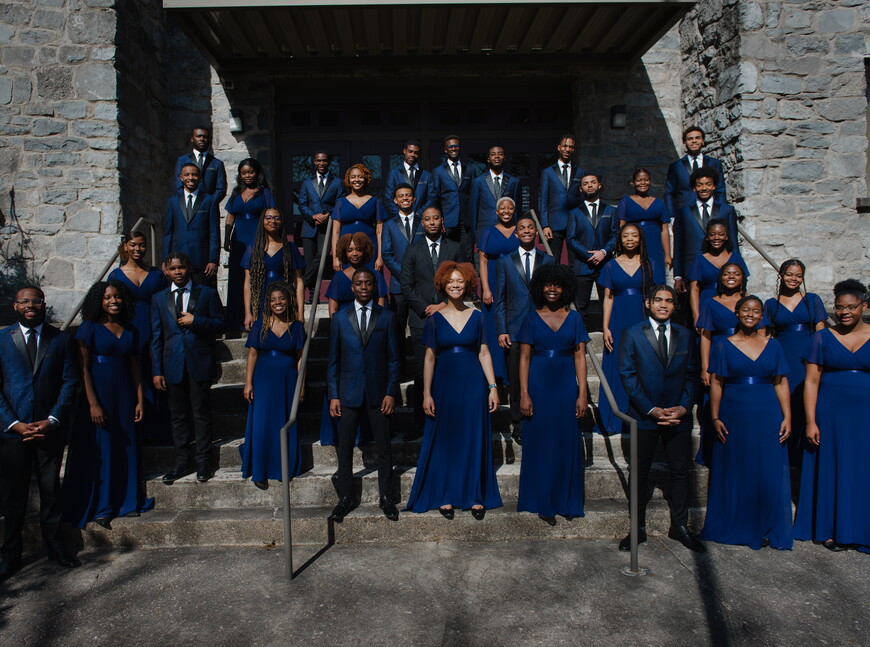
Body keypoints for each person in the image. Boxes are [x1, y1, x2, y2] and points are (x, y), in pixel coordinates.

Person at [405, 262, 502, 518]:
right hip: (444, 384)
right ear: (443, 286)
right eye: (450, 282)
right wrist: (426, 393)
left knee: (472, 436)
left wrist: (492, 387)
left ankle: (474, 494)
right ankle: (445, 494)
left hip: (473, 383)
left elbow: (483, 352)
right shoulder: (434, 320)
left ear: (468, 283)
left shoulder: (478, 316)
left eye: (459, 281)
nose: (455, 285)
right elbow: (429, 358)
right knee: (446, 439)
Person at [0, 286, 80, 579]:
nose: (30, 305)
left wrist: (52, 419)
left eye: (36, 301)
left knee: (50, 492)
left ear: (44, 305)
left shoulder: (60, 339)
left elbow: (70, 382)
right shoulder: (1, 339)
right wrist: (14, 424)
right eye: (24, 301)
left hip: (49, 429)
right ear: (15, 306)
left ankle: (55, 547)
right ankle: (10, 554)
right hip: (13, 432)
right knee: (13, 497)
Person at [701, 295, 793, 550]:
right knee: (735, 468)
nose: (750, 314)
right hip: (734, 413)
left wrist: (787, 416)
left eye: (756, 311)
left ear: (762, 315)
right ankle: (735, 523)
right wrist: (715, 417)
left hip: (767, 413)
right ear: (738, 313)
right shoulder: (722, 345)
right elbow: (717, 383)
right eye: (746, 310)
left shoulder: (773, 345)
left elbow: (781, 382)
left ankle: (764, 523)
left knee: (766, 469)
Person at [618, 284, 703, 553]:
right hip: (645, 416)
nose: (663, 305)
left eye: (669, 301)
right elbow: (627, 375)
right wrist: (651, 409)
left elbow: (692, 374)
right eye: (658, 300)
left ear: (675, 305)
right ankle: (638, 528)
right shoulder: (632, 334)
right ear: (648, 303)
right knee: (640, 472)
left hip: (678, 415)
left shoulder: (686, 336)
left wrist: (683, 407)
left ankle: (680, 526)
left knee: (679, 472)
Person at [63, 281, 153, 529]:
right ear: (98, 301)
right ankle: (102, 506)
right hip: (99, 395)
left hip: (125, 394)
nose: (113, 301)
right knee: (102, 449)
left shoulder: (131, 329)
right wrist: (93, 404)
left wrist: (139, 399)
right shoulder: (88, 328)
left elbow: (136, 367)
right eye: (107, 297)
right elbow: (83, 369)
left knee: (127, 447)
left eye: (117, 297)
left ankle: (127, 501)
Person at [794, 279, 870, 554]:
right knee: (832, 468)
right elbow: (811, 382)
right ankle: (831, 529)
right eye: (839, 308)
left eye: (851, 307)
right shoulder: (821, 337)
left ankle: (863, 529)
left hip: (865, 416)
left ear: (864, 306)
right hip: (830, 414)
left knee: (863, 469)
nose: (845, 312)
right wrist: (811, 421)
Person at [328, 268, 401, 522]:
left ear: (374, 286)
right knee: (345, 447)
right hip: (348, 392)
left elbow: (394, 359)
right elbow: (333, 361)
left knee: (383, 448)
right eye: (358, 283)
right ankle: (345, 497)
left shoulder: (387, 317)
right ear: (352, 287)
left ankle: (386, 497)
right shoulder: (339, 318)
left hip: (379, 393)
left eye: (368, 283)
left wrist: (391, 392)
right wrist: (333, 395)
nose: (363, 287)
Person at [517, 264, 589, 520]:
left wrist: (582, 394)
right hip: (538, 385)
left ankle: (565, 500)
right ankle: (542, 499)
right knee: (541, 444)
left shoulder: (575, 318)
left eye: (558, 284)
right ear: (540, 287)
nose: (552, 289)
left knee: (564, 442)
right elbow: (524, 359)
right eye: (548, 284)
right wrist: (524, 394)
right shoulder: (530, 318)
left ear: (565, 288)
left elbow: (580, 357)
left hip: (565, 387)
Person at [151, 252, 225, 484]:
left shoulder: (207, 294)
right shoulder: (159, 298)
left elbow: (221, 323)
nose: (178, 272)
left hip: (198, 362)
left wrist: (197, 321)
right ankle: (182, 461)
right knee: (178, 416)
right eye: (173, 269)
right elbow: (156, 337)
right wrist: (156, 370)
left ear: (189, 268)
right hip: (172, 364)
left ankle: (204, 461)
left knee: (201, 414)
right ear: (166, 271)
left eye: (182, 267)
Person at [400, 207, 463, 439]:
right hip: (421, 318)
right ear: (422, 223)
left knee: (448, 369)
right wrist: (427, 308)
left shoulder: (455, 247)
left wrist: (443, 306)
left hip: (452, 316)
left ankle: (449, 419)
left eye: (436, 218)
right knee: (421, 372)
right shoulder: (413, 249)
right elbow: (406, 285)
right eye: (427, 219)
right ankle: (421, 423)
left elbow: (465, 279)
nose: (432, 222)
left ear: (442, 221)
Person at [320, 232, 387, 447]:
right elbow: (333, 306)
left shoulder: (373, 275)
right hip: (347, 336)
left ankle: (368, 432)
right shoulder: (340, 277)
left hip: (371, 333)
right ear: (343, 252)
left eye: (358, 249)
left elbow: (381, 302)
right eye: (349, 250)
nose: (354, 253)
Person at [494, 214, 555, 443]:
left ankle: (540, 417)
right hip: (515, 328)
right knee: (517, 380)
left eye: (531, 227)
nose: (527, 231)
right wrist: (502, 329)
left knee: (540, 375)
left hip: (542, 327)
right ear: (516, 233)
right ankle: (518, 422)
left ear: (535, 232)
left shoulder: (548, 260)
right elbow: (500, 298)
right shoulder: (505, 261)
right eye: (522, 228)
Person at [695, 262, 763, 466]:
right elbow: (706, 336)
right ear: (720, 277)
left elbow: (762, 335)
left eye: (736, 273)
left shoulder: (751, 303)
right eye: (726, 273)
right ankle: (713, 451)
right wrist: (705, 366)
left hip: (745, 354)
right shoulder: (709, 302)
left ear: (743, 277)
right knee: (714, 403)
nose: (731, 277)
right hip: (718, 352)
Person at [241, 281, 306, 489]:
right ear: (268, 303)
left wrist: (302, 384)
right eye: (273, 300)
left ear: (288, 300)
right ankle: (260, 470)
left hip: (287, 381)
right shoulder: (260, 324)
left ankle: (282, 467)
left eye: (281, 298)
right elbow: (252, 354)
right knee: (261, 425)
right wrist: (248, 383)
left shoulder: (297, 327)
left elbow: (300, 358)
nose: (278, 303)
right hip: (263, 380)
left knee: (283, 422)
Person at [107, 231, 168, 443]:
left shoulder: (157, 274)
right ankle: (135, 429)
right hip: (128, 330)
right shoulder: (116, 275)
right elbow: (110, 305)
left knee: (155, 376)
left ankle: (158, 430)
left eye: (142, 245)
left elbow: (167, 303)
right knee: (133, 377)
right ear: (125, 247)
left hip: (154, 329)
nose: (138, 249)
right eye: (133, 245)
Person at [763, 259, 826, 462]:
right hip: (784, 358)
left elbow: (821, 332)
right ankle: (786, 458)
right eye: (790, 274)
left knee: (807, 403)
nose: (794, 279)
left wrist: (823, 358)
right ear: (781, 275)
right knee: (786, 405)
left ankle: (806, 458)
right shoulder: (771, 304)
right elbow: (766, 336)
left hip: (808, 358)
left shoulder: (812, 300)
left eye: (798, 276)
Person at [596, 224, 653, 434]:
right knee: (617, 364)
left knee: (641, 366)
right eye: (626, 236)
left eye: (634, 235)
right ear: (620, 240)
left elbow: (653, 297)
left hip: (641, 319)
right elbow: (608, 298)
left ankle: (640, 414)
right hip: (618, 319)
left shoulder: (649, 264)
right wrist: (605, 327)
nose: (630, 239)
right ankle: (614, 416)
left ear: (640, 239)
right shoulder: (610, 266)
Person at [223, 159, 276, 331]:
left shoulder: (264, 193)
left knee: (256, 278)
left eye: (250, 172)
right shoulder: (236, 193)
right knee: (238, 279)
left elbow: (271, 216)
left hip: (257, 239)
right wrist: (227, 238)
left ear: (257, 173)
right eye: (244, 173)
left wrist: (269, 240)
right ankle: (237, 320)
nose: (247, 176)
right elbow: (230, 216)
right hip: (239, 241)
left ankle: (258, 317)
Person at [673, 166, 739, 299]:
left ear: (714, 186)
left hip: (719, 267)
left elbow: (734, 243)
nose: (704, 188)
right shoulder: (684, 212)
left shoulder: (726, 210)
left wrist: (737, 269)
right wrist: (678, 275)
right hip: (691, 268)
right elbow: (678, 244)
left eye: (708, 184)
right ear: (694, 187)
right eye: (700, 185)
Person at [477, 196, 520, 386]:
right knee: (493, 326)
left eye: (510, 208)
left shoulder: (520, 231)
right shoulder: (488, 232)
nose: (506, 211)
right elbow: (483, 261)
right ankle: (496, 375)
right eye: (502, 208)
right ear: (496, 212)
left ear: (514, 210)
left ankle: (515, 373)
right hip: (493, 283)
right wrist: (485, 288)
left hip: (514, 283)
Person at [566, 172, 618, 322]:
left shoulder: (611, 211)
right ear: (581, 189)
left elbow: (615, 236)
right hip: (582, 265)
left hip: (605, 265)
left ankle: (608, 332)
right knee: (580, 306)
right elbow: (571, 239)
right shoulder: (574, 213)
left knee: (607, 303)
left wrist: (603, 252)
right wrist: (589, 255)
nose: (590, 185)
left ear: (599, 185)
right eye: (585, 183)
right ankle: (582, 340)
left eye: (593, 182)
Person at [241, 207, 305, 328]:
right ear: (262, 221)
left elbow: (298, 280)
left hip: (284, 299)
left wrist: (300, 312)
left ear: (281, 222)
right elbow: (247, 282)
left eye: (277, 218)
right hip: (261, 299)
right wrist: (248, 313)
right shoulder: (253, 249)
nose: (273, 221)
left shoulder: (290, 248)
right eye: (268, 218)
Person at [163, 162, 221, 288]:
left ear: (200, 178)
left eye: (194, 175)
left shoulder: (209, 200)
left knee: (202, 297)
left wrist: (213, 260)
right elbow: (168, 232)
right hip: (177, 258)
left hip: (202, 261)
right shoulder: (173, 201)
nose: (191, 178)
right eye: (187, 175)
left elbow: (214, 233)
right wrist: (165, 259)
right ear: (181, 177)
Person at [685, 218, 748, 326]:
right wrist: (696, 316)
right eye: (712, 234)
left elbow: (743, 286)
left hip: (732, 303)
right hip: (706, 301)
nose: (716, 238)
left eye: (721, 234)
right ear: (707, 238)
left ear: (727, 237)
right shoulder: (700, 259)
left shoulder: (736, 257)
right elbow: (694, 289)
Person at [299, 150, 343, 304]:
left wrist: (326, 214)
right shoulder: (307, 183)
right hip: (309, 227)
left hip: (328, 226)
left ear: (328, 162)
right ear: (314, 162)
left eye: (324, 161)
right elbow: (302, 204)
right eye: (318, 161)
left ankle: (303, 281)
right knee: (310, 261)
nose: (321, 163)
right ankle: (313, 294)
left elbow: (339, 202)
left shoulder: (337, 182)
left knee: (321, 258)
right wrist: (313, 216)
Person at [382, 183, 423, 336]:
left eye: (408, 195)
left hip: (421, 285)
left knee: (420, 328)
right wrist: (405, 274)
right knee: (397, 329)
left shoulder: (424, 222)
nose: (405, 198)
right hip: (398, 285)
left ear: (414, 199)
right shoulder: (389, 225)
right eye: (401, 196)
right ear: (395, 200)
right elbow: (386, 254)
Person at [616, 168, 670, 285]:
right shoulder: (625, 201)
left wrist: (668, 255)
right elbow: (621, 227)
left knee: (657, 278)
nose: (642, 183)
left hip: (655, 245)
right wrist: (621, 250)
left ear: (650, 181)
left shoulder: (659, 202)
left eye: (645, 180)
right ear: (633, 182)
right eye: (639, 180)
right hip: (635, 245)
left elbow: (664, 230)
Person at [331, 163, 387, 272]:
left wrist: (380, 256)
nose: (357, 180)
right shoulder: (340, 202)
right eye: (353, 177)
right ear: (348, 180)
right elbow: (335, 232)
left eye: (360, 176)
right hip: (346, 249)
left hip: (370, 248)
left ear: (365, 179)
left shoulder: (375, 202)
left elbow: (380, 231)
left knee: (369, 281)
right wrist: (335, 257)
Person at [432, 135, 479, 261]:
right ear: (445, 150)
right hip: (448, 220)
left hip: (466, 220)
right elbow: (435, 197)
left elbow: (474, 196)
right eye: (450, 146)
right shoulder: (438, 171)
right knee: (448, 255)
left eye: (456, 146)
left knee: (467, 255)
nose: (453, 148)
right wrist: (439, 219)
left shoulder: (470, 170)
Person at [539, 134, 584, 264]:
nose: (567, 149)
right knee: (554, 259)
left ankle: (572, 284)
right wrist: (545, 224)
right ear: (559, 148)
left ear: (574, 150)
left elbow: (581, 200)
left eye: (571, 147)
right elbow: (544, 200)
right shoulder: (548, 172)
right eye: (565, 146)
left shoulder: (580, 172)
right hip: (554, 223)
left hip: (574, 222)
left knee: (574, 259)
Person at [664, 126, 726, 219]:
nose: (694, 141)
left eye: (697, 138)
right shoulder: (676, 166)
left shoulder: (714, 163)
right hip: (684, 213)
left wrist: (721, 212)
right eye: (690, 139)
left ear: (703, 141)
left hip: (710, 212)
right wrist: (672, 217)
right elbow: (669, 193)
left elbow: (720, 190)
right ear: (685, 142)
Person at [469, 145, 522, 241]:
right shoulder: (478, 182)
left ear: (504, 158)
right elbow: (474, 210)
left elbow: (517, 211)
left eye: (500, 154)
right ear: (488, 159)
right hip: (485, 231)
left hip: (508, 231)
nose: (497, 156)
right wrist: (475, 233)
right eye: (493, 154)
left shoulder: (514, 182)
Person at [173, 125, 227, 203]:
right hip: (188, 205)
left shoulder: (217, 163)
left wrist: (210, 202)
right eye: (198, 136)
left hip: (210, 206)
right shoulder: (183, 160)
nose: (202, 139)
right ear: (192, 139)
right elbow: (179, 184)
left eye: (205, 137)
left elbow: (221, 188)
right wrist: (188, 201)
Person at [384, 139, 435, 219]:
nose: (412, 155)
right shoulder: (394, 174)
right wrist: (400, 215)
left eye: (416, 152)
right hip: (399, 219)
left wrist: (419, 214)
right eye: (410, 151)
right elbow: (388, 198)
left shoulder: (427, 175)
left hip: (420, 219)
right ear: (405, 151)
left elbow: (432, 198)